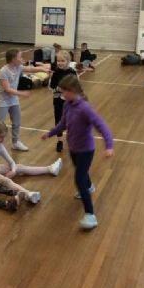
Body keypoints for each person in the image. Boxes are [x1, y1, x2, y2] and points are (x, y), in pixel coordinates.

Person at [41, 75, 114, 230]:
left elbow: (102, 126)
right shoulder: (67, 105)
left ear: (73, 90)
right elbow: (63, 124)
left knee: (79, 180)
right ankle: (89, 186)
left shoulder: (85, 108)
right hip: (73, 148)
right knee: (81, 172)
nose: (62, 95)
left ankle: (90, 215)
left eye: (64, 92)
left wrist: (109, 146)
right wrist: (50, 133)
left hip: (86, 150)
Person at [0, 121, 62, 204]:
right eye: (1, 137)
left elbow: (11, 162)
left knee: (19, 167)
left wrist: (13, 171)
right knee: (6, 181)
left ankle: (50, 169)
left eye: (4, 137)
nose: (3, 140)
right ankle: (28, 193)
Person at [0, 48, 50, 151]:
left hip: (14, 100)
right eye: (20, 57)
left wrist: (42, 69)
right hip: (3, 101)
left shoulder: (18, 67)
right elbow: (7, 89)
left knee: (16, 122)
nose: (22, 59)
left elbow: (30, 69)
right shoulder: (3, 71)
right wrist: (22, 93)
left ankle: (15, 142)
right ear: (13, 59)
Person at [49, 50, 77, 152]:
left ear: (68, 61)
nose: (60, 63)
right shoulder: (56, 72)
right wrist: (59, 89)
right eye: (58, 61)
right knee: (59, 120)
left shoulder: (72, 72)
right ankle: (59, 141)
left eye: (62, 61)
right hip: (58, 100)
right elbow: (51, 86)